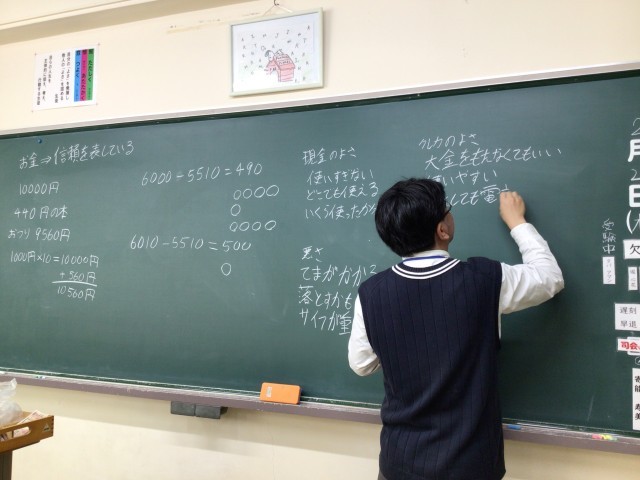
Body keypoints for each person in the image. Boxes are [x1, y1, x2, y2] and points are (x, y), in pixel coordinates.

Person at [348, 178, 564, 480]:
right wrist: (517, 222)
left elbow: (361, 364)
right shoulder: (485, 280)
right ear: (442, 229)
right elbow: (550, 277)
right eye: (447, 209)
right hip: (468, 465)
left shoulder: (371, 292)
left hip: (399, 462)